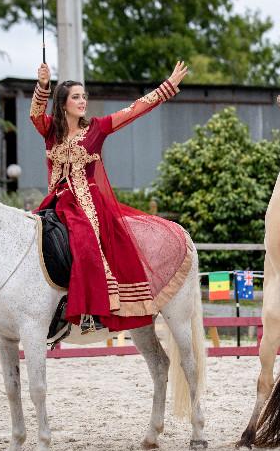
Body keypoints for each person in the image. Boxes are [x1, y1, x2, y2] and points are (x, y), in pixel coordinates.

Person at [30, 61, 190, 334]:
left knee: (84, 244)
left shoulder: (97, 128)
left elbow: (134, 109)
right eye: (76, 97)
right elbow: (35, 114)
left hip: (88, 207)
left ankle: (94, 310)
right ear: (63, 103)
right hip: (56, 203)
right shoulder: (50, 131)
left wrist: (166, 87)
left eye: (84, 97)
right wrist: (43, 85)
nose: (83, 101)